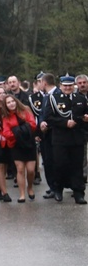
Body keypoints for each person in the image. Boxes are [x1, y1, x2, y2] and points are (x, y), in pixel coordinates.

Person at [43, 74, 88, 204]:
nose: (67, 88)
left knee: (77, 167)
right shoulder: (53, 99)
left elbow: (85, 115)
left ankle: (79, 193)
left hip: (77, 138)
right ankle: (58, 189)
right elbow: (48, 117)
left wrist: (84, 119)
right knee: (60, 165)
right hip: (60, 138)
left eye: (70, 86)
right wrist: (64, 123)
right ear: (60, 86)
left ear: (73, 86)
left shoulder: (81, 98)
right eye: (65, 86)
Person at [0, 95, 37, 202]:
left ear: (16, 102)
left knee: (30, 170)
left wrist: (18, 130)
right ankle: (22, 194)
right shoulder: (5, 118)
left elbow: (33, 124)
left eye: (12, 101)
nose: (11, 104)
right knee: (20, 169)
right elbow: (6, 133)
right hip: (16, 145)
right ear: (5, 105)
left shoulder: (25, 111)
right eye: (8, 102)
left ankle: (29, 187)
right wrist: (19, 132)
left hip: (29, 143)